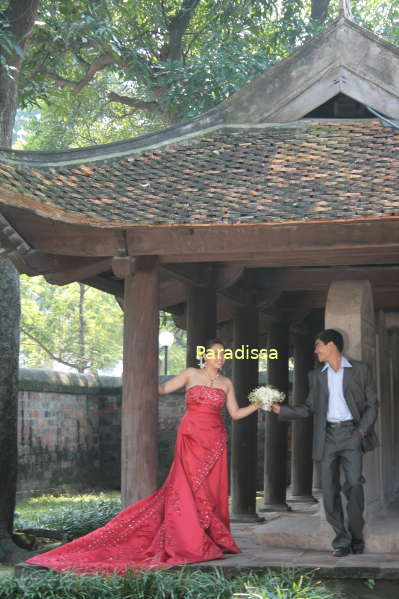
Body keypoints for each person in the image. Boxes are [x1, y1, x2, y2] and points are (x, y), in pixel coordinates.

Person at [25, 339, 261, 574]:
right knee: (186, 486)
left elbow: (236, 413)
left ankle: (207, 535)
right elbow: (162, 389)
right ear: (204, 355)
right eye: (216, 353)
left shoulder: (226, 383)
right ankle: (188, 539)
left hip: (216, 440)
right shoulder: (190, 374)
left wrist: (258, 404)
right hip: (191, 437)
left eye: (223, 354)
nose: (220, 357)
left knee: (210, 490)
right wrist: (149, 368)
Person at [271, 329, 378, 557]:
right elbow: (310, 407)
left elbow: (372, 404)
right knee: (329, 492)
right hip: (327, 437)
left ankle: (356, 536)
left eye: (319, 345)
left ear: (332, 346)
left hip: (352, 434)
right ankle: (341, 540)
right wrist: (283, 410)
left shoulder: (360, 370)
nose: (316, 350)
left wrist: (360, 432)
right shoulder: (316, 375)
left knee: (354, 486)